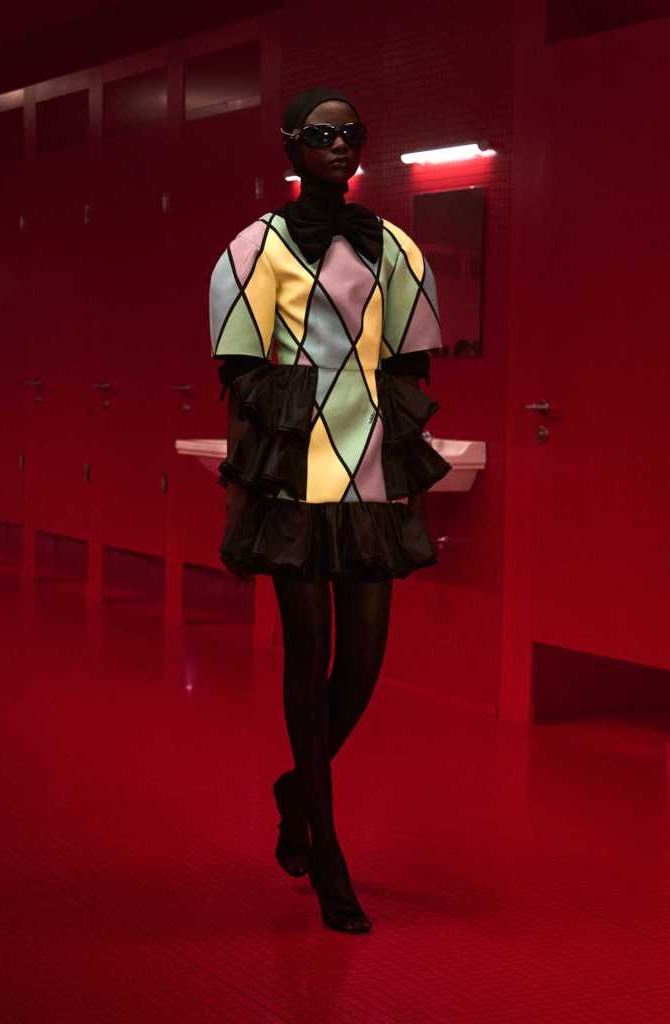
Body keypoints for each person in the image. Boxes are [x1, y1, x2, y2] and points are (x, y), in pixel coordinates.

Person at [209, 87, 451, 934]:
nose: (339, 145)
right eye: (321, 134)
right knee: (307, 656)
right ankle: (328, 853)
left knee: (365, 660)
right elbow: (241, 370)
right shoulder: (253, 247)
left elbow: (409, 360)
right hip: (296, 476)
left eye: (351, 134)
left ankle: (295, 789)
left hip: (370, 469)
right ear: (291, 145)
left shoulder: (394, 245)